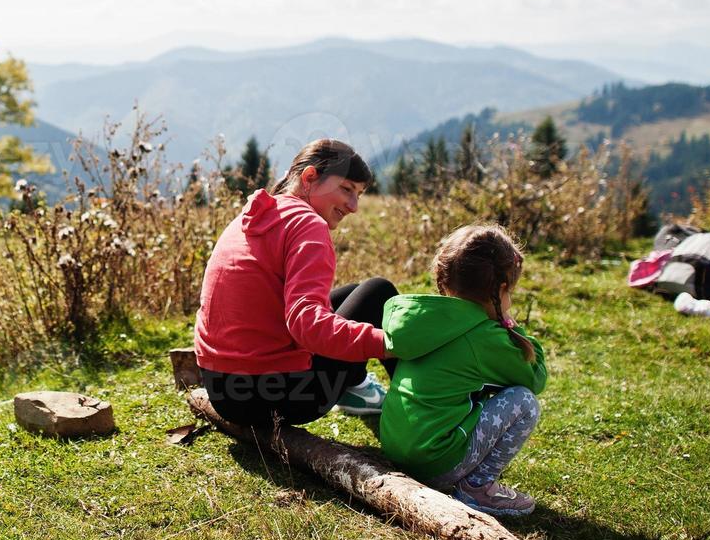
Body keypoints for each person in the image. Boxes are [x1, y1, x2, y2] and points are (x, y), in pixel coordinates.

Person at [194, 139, 396, 430]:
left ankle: (356, 386)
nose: (353, 206)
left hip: (223, 391)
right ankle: (428, 416)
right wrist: (389, 344)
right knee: (379, 293)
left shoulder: (257, 213)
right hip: (277, 398)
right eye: (346, 189)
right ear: (310, 178)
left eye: (359, 194)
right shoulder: (309, 224)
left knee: (353, 293)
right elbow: (307, 325)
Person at [379, 223, 547, 516]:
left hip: (395, 449)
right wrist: (512, 325)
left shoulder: (424, 320)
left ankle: (465, 477)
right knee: (524, 401)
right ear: (502, 289)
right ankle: (477, 489)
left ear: (444, 279)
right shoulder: (483, 337)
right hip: (433, 464)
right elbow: (535, 377)